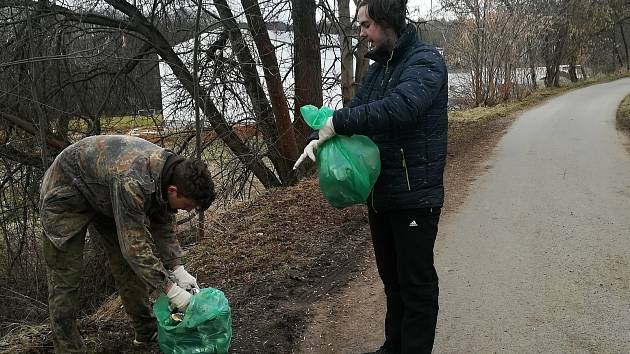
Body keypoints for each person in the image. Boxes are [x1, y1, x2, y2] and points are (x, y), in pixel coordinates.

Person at [294, 0, 448, 353]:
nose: (361, 33)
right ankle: (394, 346)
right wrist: (319, 137)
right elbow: (355, 113)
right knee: (392, 281)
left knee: (416, 283)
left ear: (387, 21)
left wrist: (339, 123)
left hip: (415, 195)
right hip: (381, 194)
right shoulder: (378, 70)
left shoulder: (424, 61)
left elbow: (400, 109)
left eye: (365, 25)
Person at [39, 135, 216, 353]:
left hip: (105, 190)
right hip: (66, 190)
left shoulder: (169, 173)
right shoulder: (134, 180)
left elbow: (162, 224)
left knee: (127, 265)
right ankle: (68, 349)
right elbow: (135, 249)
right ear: (173, 191)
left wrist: (178, 268)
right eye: (187, 205)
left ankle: (146, 330)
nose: (187, 211)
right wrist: (171, 291)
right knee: (65, 278)